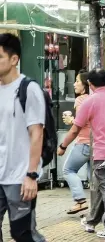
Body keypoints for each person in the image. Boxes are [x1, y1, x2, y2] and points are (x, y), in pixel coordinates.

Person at [60, 69, 105, 239]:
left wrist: (62, 145)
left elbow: (75, 129)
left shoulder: (90, 101)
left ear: (89, 83)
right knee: (102, 187)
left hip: (103, 153)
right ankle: (91, 221)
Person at [0, 34, 46, 241]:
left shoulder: (29, 89)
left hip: (19, 178)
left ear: (14, 59)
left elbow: (36, 133)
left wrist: (31, 175)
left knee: (23, 235)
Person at [62, 71, 91, 215]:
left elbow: (80, 123)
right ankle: (103, 208)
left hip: (84, 143)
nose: (74, 84)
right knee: (95, 179)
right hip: (97, 144)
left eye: (77, 81)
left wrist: (71, 121)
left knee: (68, 170)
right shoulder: (95, 99)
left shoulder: (80, 100)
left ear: (85, 85)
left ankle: (80, 201)